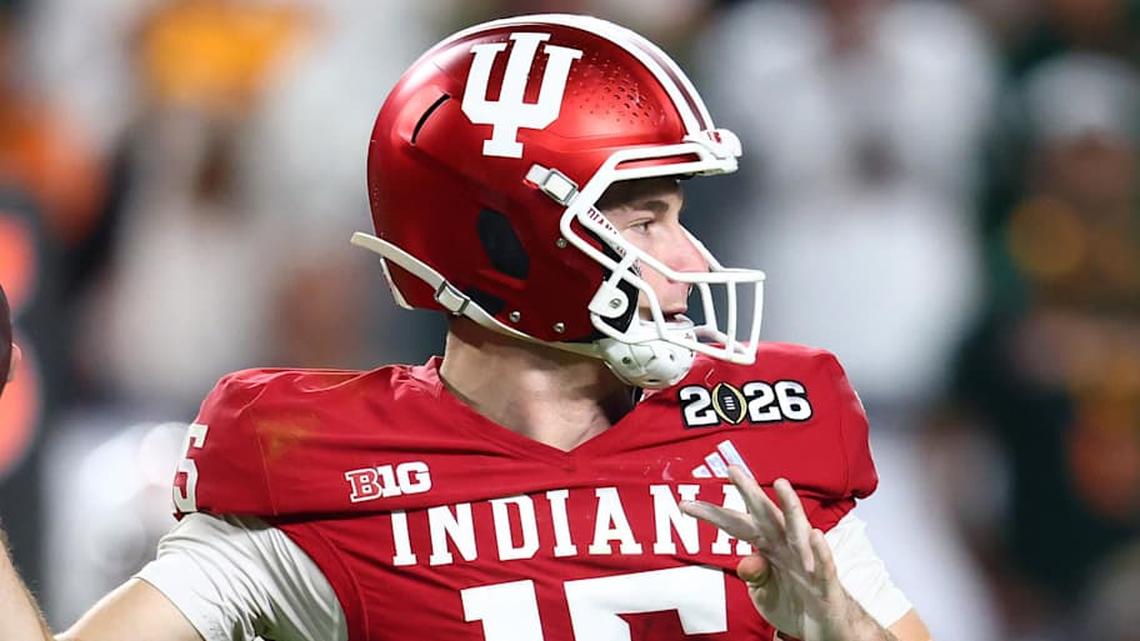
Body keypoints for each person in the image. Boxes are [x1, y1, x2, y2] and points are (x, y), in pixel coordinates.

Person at [1, 14, 932, 641]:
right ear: (506, 235)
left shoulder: (753, 440)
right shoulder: (318, 480)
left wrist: (839, 628)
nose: (689, 259)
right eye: (645, 220)